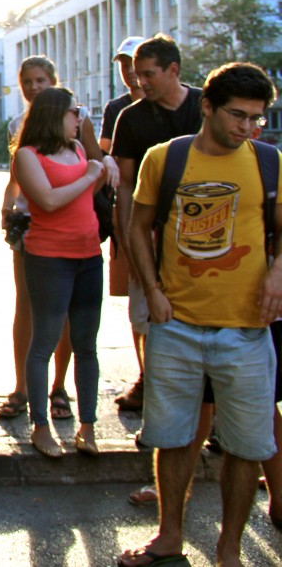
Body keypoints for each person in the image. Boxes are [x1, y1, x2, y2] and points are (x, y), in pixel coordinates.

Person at [118, 62, 280, 567]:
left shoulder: (269, 162)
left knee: (246, 446)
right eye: (238, 115)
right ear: (206, 107)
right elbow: (137, 226)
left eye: (257, 118)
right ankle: (169, 537)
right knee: (173, 438)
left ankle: (228, 549)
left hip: (247, 329)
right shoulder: (166, 158)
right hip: (177, 326)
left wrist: (277, 274)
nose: (247, 127)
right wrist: (152, 292)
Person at [0, 56, 116, 421]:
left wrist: (104, 167)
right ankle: (22, 388)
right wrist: (7, 209)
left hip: (76, 237)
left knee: (66, 316)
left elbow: (93, 165)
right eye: (27, 81)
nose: (34, 87)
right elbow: (19, 178)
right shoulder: (20, 126)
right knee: (29, 309)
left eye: (41, 80)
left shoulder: (77, 125)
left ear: (54, 81)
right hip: (33, 228)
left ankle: (59, 387)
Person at [11, 87, 107, 458]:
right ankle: (40, 426)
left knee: (86, 344)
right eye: (73, 112)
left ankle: (88, 426)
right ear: (54, 114)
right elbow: (48, 201)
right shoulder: (27, 155)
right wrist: (91, 175)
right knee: (44, 342)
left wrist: (93, 170)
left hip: (88, 255)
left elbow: (86, 190)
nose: (79, 118)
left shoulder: (78, 150)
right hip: (50, 258)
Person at [111, 34, 202, 413]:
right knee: (146, 310)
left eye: (148, 74)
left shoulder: (206, 106)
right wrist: (128, 243)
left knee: (198, 313)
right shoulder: (130, 118)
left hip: (201, 231)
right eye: (136, 74)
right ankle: (149, 379)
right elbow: (125, 186)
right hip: (148, 230)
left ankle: (206, 401)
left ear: (173, 71)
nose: (139, 81)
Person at [99, 36, 148, 412]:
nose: (129, 71)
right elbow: (103, 152)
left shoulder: (190, 104)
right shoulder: (118, 109)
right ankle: (146, 375)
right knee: (138, 299)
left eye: (134, 62)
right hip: (131, 216)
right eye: (123, 64)